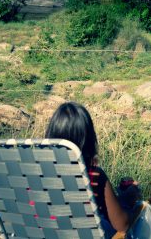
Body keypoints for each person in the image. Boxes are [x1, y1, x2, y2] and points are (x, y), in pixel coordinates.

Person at [45, 102, 137, 238]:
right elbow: (122, 224)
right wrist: (131, 202)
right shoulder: (94, 175)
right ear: (88, 140)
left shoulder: (35, 173)